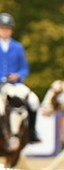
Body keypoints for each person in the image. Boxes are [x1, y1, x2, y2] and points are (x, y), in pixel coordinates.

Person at [0, 12, 41, 143]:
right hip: (0, 86)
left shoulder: (18, 47)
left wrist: (18, 75)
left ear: (11, 30)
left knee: (34, 101)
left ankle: (32, 132)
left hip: (15, 84)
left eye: (7, 28)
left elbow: (24, 68)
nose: (5, 31)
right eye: (2, 28)